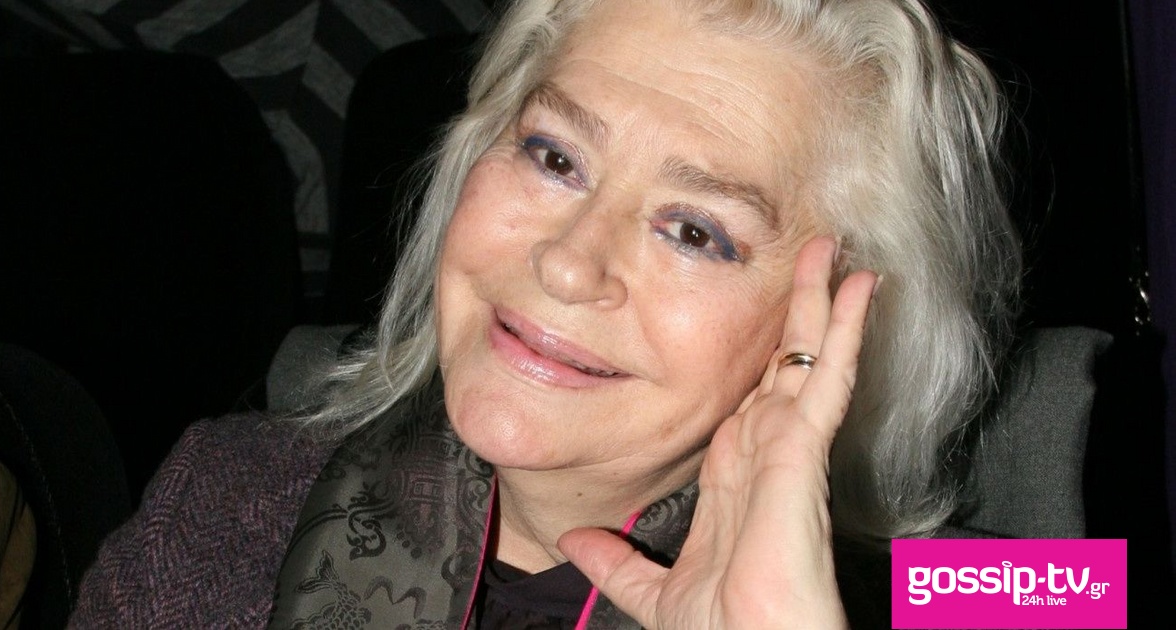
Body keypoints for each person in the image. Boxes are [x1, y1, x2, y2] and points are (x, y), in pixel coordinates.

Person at [71, 0, 1020, 627]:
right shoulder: (222, 496)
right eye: (555, 157)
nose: (566, 264)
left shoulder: (999, 600)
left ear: (840, 322)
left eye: (695, 232)